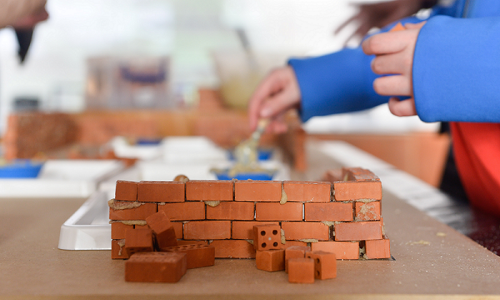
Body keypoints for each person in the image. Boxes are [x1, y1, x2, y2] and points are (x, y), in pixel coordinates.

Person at [248, 0, 500, 216]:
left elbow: (440, 42)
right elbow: (456, 20)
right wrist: (312, 81)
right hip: (478, 198)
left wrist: (450, 55)